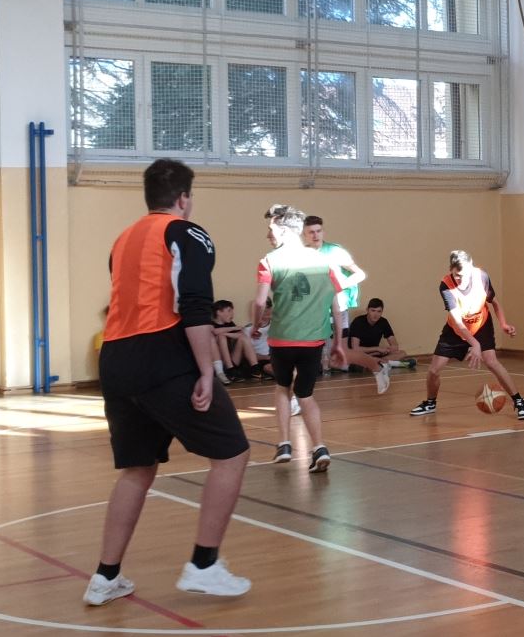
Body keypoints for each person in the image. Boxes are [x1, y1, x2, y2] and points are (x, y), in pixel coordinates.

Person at [85, 159, 254, 607]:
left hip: (116, 360)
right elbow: (194, 305)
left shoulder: (122, 240)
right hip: (163, 356)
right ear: (183, 198)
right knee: (233, 454)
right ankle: (204, 565)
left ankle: (105, 577)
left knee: (137, 469)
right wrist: (206, 370)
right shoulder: (187, 232)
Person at [255, 204, 353, 470]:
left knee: (282, 387)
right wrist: (338, 343)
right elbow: (336, 306)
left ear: (286, 230)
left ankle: (284, 443)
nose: (268, 234)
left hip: (282, 339)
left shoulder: (269, 260)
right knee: (305, 394)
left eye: (272, 229)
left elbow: (260, 302)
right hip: (314, 341)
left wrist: (255, 325)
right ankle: (319, 448)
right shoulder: (325, 261)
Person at [409, 251, 524, 420]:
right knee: (434, 370)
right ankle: (430, 403)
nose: (460, 280)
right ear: (451, 270)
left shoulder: (482, 277)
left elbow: (494, 302)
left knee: (492, 362)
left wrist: (503, 324)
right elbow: (458, 321)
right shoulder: (445, 285)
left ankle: (519, 401)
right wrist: (475, 344)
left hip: (481, 325)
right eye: (457, 276)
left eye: (464, 275)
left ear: (471, 268)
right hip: (456, 329)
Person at [303, 215, 366, 370]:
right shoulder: (301, 255)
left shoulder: (335, 251)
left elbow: (360, 274)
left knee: (342, 350)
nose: (315, 235)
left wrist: (339, 285)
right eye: (311, 232)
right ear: (304, 234)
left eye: (318, 231)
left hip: (338, 307)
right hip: (315, 308)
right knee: (316, 353)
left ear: (323, 231)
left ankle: (377, 365)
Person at [340, 298, 410, 395]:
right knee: (359, 364)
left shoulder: (383, 322)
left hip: (375, 355)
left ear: (382, 312)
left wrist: (386, 350)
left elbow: (395, 346)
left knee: (402, 353)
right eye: (373, 310)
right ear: (367, 310)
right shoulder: (358, 322)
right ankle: (392, 364)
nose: (375, 314)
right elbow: (355, 349)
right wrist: (377, 348)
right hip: (359, 355)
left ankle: (382, 363)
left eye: (379, 311)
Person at [209, 300, 262, 383]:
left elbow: (241, 334)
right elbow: (214, 331)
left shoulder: (229, 323)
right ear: (219, 312)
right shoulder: (211, 324)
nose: (232, 314)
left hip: (233, 360)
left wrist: (226, 333)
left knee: (243, 338)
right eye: (229, 310)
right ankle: (230, 371)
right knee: (221, 337)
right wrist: (232, 329)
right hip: (220, 364)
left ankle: (255, 369)